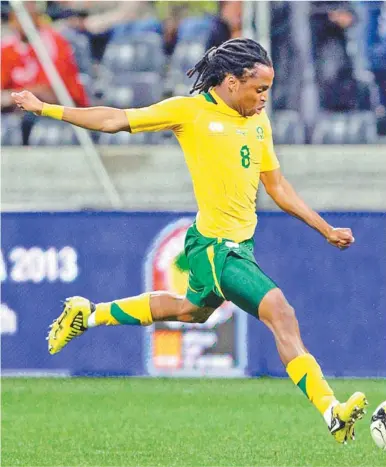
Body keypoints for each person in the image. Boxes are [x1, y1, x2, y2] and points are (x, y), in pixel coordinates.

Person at [12, 38, 367, 444]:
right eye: (260, 89)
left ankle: (89, 314)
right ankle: (331, 412)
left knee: (192, 311)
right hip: (218, 248)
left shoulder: (258, 121)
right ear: (232, 82)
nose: (265, 98)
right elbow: (114, 120)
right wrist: (46, 109)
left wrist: (324, 228)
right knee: (280, 312)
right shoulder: (190, 111)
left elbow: (278, 186)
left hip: (234, 245)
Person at [1, 1, 89, 144]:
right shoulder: (7, 47)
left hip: (62, 112)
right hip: (21, 113)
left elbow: (51, 94)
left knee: (29, 122)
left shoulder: (54, 43)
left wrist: (11, 98)